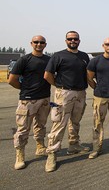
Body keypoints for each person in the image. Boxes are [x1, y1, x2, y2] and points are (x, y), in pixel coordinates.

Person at [44, 31, 90, 172]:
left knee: (75, 121)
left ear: (79, 40)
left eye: (75, 39)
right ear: (66, 41)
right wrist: (59, 87)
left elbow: (88, 74)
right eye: (70, 39)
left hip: (80, 93)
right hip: (64, 93)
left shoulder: (84, 56)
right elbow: (47, 75)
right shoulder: (58, 56)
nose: (73, 41)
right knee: (59, 124)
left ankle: (73, 145)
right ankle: (52, 154)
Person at [8, 35, 51, 170]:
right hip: (27, 100)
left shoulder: (48, 60)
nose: (39, 44)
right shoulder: (24, 60)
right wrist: (24, 89)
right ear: (31, 43)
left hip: (44, 98)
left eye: (41, 42)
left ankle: (40, 146)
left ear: (45, 44)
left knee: (41, 125)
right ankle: (20, 154)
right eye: (36, 42)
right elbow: (12, 80)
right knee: (23, 128)